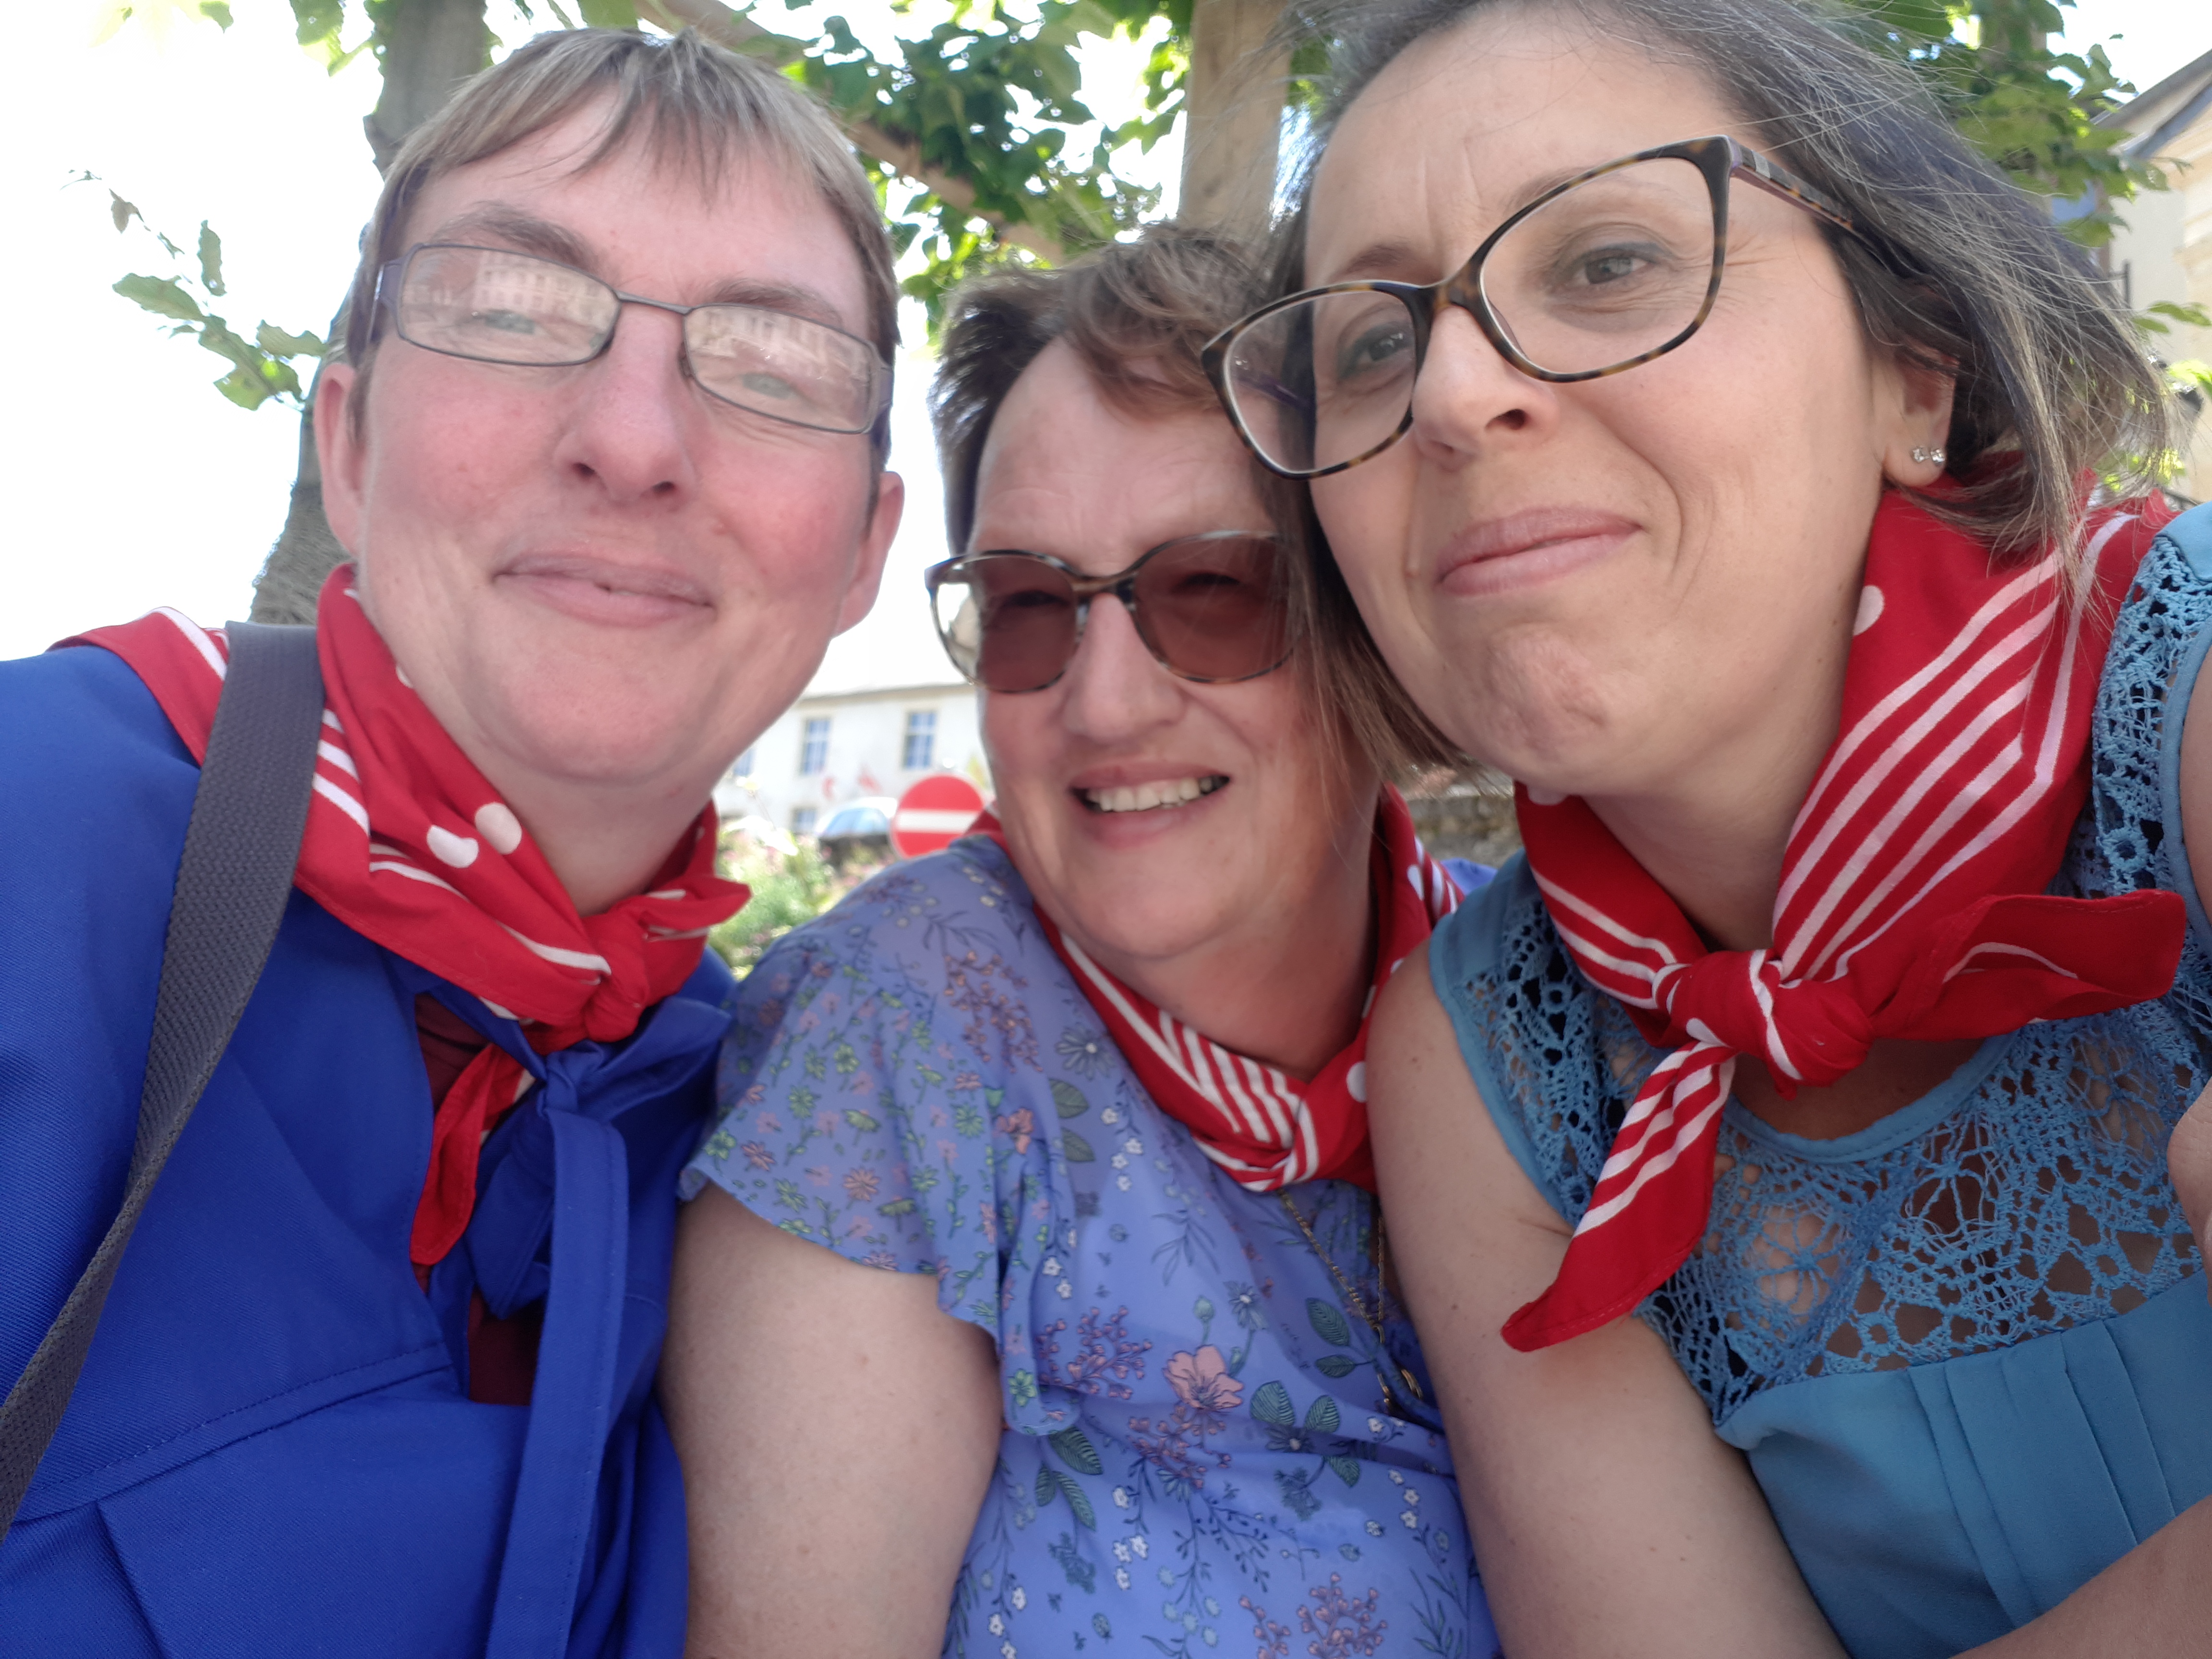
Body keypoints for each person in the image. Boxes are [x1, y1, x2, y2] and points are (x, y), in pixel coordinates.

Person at [1202, 0, 2212, 1654]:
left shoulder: (2187, 678)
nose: (1450, 393)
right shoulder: (1485, 1063)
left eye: (1607, 262)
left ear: (1916, 373)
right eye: (1371, 348)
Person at [0, 28, 901, 1657]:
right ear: (346, 443)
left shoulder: (786, 1132)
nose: (636, 440)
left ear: (863, 554)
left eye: (774, 365)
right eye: (512, 311)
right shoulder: (37, 832)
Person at [665, 230, 1500, 1659]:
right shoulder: (897, 1035)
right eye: (1030, 607)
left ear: (1374, 611)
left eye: (1215, 590)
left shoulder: (1570, 1002)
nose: (1105, 705)